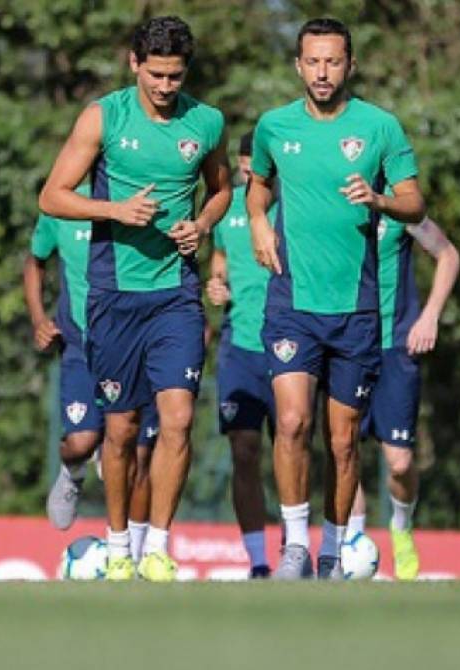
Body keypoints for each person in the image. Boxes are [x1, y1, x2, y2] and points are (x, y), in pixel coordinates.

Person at [39, 15, 231, 581]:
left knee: (178, 419)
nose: (166, 86)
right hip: (113, 296)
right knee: (120, 429)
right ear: (134, 64)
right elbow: (52, 196)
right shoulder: (104, 117)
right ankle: (118, 544)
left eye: (175, 76)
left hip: (176, 294)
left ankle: (159, 548)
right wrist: (114, 211)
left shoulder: (207, 121)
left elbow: (222, 190)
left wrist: (202, 224)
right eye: (156, 75)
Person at [248, 17, 426, 579]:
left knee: (344, 442)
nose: (322, 72)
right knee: (291, 422)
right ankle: (294, 548)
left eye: (332, 61)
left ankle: (330, 552)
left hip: (356, 310)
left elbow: (415, 203)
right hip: (291, 304)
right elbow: (258, 188)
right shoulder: (274, 126)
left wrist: (379, 199)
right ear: (298, 66)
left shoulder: (380, 127)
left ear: (350, 65)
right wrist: (258, 221)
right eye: (313, 61)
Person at [23, 187, 159, 543]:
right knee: (80, 442)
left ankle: (134, 553)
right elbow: (35, 261)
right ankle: (72, 472)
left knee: (138, 455)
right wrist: (39, 319)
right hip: (80, 344)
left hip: (132, 344)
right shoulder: (64, 202)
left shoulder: (137, 194)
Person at [347, 213, 459, 581]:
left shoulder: (400, 208)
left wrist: (430, 316)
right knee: (344, 449)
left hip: (395, 348)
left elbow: (448, 255)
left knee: (399, 462)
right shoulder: (331, 203)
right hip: (345, 346)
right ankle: (353, 542)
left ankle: (401, 525)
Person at [206, 132, 275, 578]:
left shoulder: (291, 209)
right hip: (240, 347)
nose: (249, 179)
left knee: (293, 446)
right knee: (244, 449)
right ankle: (258, 561)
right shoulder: (226, 208)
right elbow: (219, 264)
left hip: (289, 347)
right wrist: (216, 286)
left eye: (257, 172)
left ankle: (297, 550)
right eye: (244, 169)